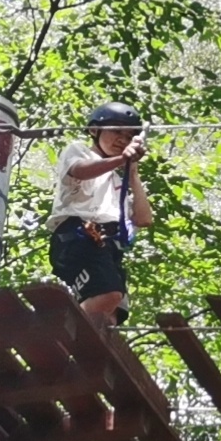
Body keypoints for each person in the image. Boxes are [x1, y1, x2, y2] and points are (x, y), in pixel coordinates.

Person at [49, 101, 153, 327]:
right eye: (117, 131)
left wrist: (132, 174)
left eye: (128, 137)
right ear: (95, 130)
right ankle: (65, 335)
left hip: (108, 246)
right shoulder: (79, 151)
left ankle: (87, 350)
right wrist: (121, 159)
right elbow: (81, 171)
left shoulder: (119, 181)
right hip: (79, 237)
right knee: (108, 294)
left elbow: (144, 219)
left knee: (111, 316)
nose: (122, 141)